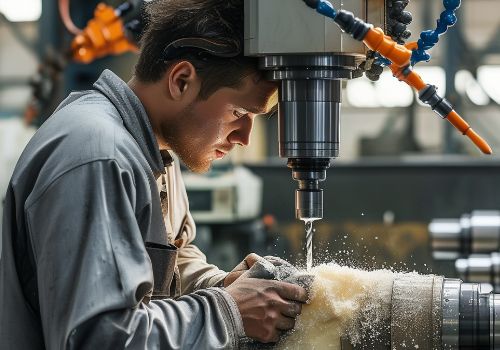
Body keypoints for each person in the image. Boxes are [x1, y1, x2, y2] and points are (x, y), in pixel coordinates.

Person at [0, 0, 309, 349]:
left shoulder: (154, 152)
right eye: (239, 111)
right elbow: (100, 339)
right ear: (181, 81)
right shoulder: (99, 156)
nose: (244, 137)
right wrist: (229, 310)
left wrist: (225, 286)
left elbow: (171, 264)